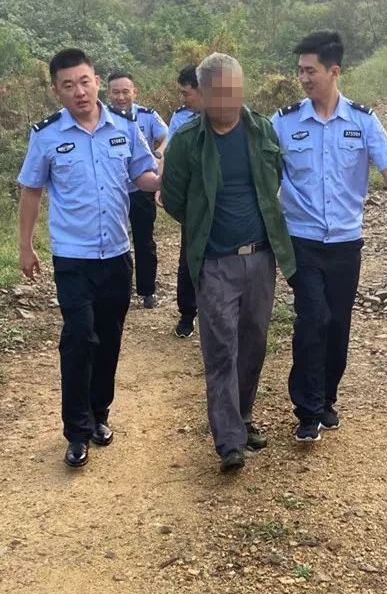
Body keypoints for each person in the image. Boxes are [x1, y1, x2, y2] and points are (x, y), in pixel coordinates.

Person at [271, 31, 387, 443]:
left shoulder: (362, 120)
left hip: (345, 242)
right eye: (300, 71)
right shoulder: (283, 122)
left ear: (334, 71)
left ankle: (326, 399)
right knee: (312, 318)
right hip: (301, 239)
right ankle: (307, 409)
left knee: (337, 323)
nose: (303, 78)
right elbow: (263, 172)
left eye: (311, 71)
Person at [17, 48, 160, 470]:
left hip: (116, 254)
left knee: (110, 339)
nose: (79, 91)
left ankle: (99, 414)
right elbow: (31, 191)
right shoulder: (46, 135)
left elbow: (143, 175)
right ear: (56, 91)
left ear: (96, 81)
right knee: (80, 339)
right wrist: (25, 245)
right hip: (73, 258)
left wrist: (168, 178)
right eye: (68, 85)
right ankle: (76, 432)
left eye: (84, 81)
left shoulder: (125, 127)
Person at [161, 53, 296, 473]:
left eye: (236, 91)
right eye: (220, 93)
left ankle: (243, 417)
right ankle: (229, 441)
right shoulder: (187, 141)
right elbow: (174, 199)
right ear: (202, 94)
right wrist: (207, 227)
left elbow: (274, 178)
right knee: (221, 349)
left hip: (260, 258)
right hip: (215, 263)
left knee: (254, 345)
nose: (230, 101)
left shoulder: (261, 130)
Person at [107, 70, 169, 309]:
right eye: (116, 92)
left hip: (141, 190)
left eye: (125, 92)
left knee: (144, 240)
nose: (121, 97)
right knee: (113, 241)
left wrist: (158, 153)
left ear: (135, 92)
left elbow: (166, 135)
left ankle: (147, 290)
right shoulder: (102, 119)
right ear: (108, 93)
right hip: (114, 192)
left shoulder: (147, 115)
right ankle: (116, 290)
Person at [165, 64, 203, 338]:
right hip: (194, 201)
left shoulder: (233, 116)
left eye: (186, 93)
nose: (183, 98)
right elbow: (171, 155)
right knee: (189, 259)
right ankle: (187, 313)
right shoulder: (180, 119)